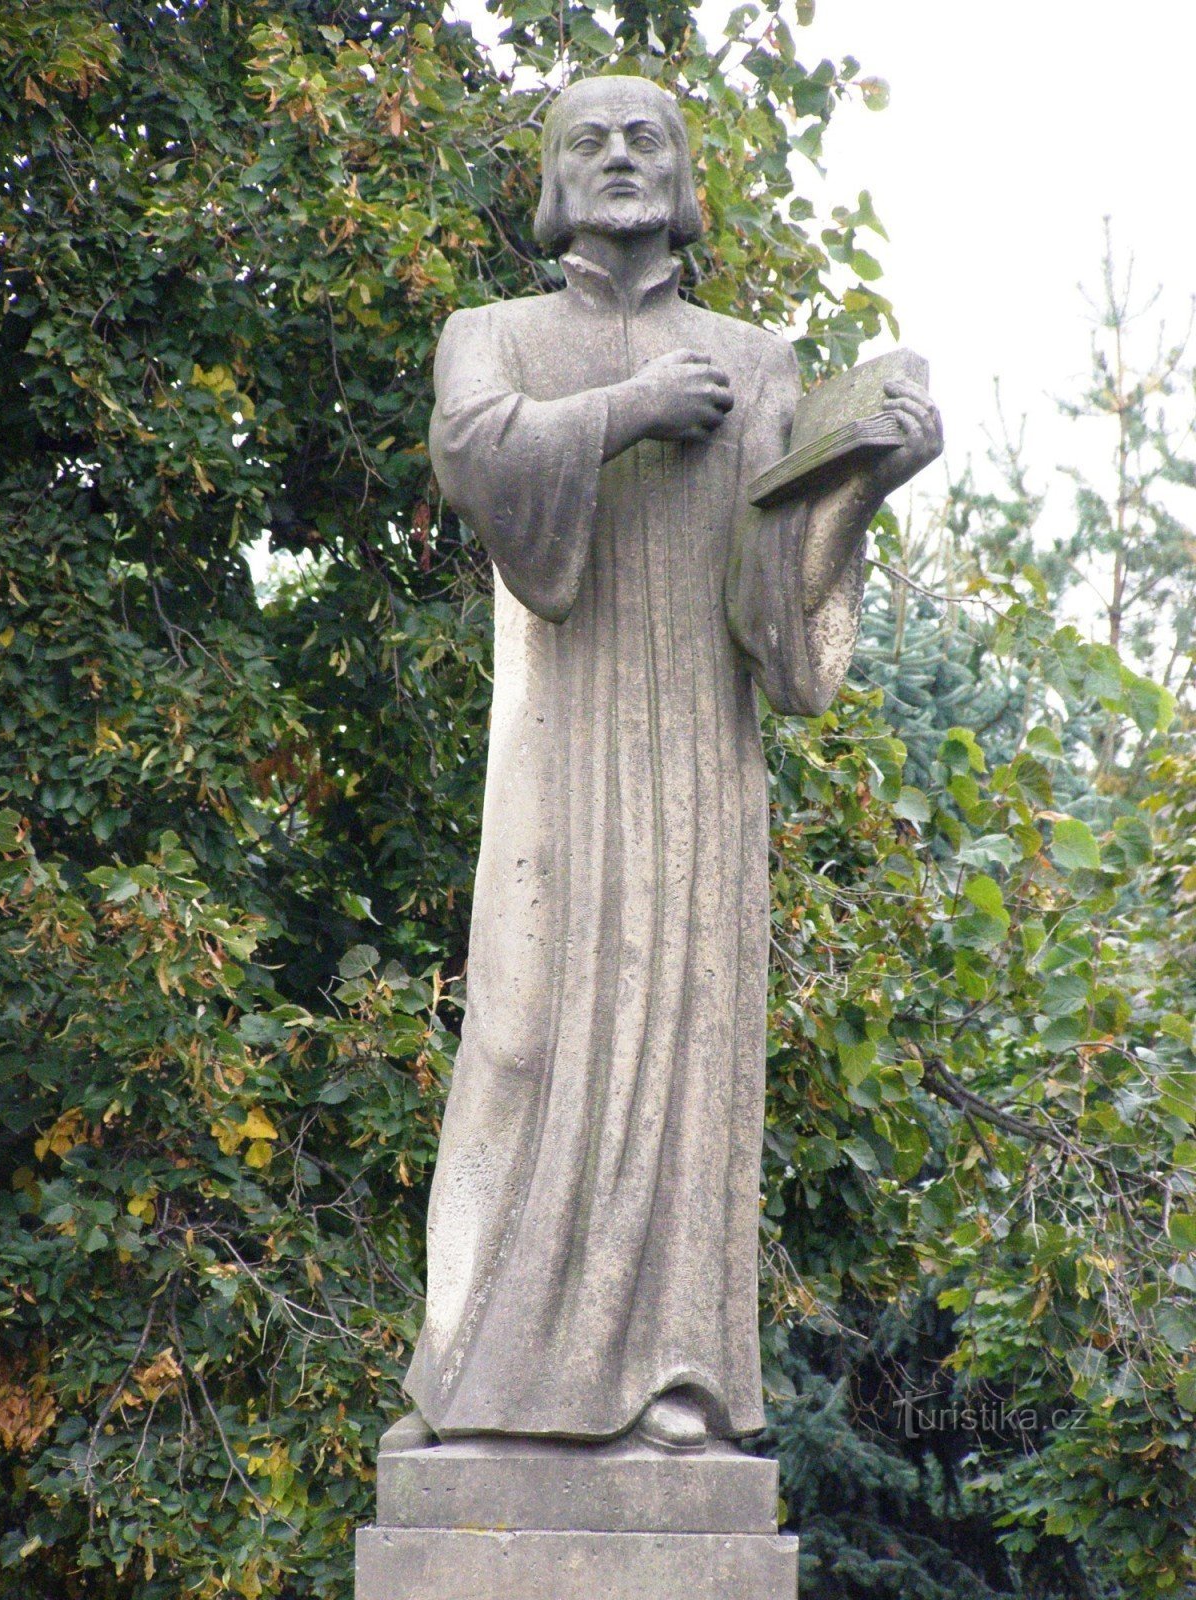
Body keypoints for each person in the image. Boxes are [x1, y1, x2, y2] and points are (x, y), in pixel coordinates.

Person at [397, 74, 942, 1454]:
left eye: (650, 138)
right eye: (592, 139)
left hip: (699, 760)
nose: (623, 158)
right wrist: (631, 408)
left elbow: (778, 618)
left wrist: (859, 483)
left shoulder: (758, 359)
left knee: (686, 1053)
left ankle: (674, 1376)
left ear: (687, 176)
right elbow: (475, 455)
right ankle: (464, 1376)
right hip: (558, 754)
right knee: (520, 1044)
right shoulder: (494, 333)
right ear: (554, 181)